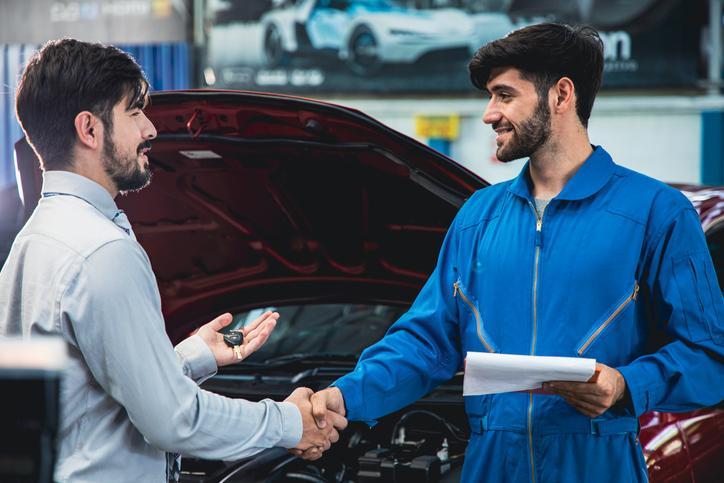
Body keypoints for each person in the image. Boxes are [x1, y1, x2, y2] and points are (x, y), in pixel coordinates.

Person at [305, 23, 724, 482]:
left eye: (505, 95)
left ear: (561, 95)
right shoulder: (477, 217)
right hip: (490, 464)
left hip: (597, 465)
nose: (489, 114)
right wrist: (344, 397)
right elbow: (426, 342)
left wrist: (627, 385)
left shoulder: (656, 213)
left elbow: (709, 356)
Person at [0, 39, 346, 482]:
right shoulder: (103, 253)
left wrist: (192, 358)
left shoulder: (35, 239)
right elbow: (173, 420)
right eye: (134, 112)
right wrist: (289, 423)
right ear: (89, 129)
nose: (151, 130)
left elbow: (90, 397)